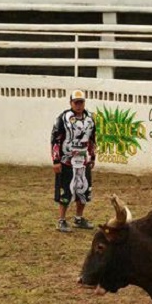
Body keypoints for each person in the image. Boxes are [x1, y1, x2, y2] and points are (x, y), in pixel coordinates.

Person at [51, 89, 97, 233]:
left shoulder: (90, 118)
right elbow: (55, 140)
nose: (78, 105)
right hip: (66, 161)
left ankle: (79, 218)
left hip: (83, 160)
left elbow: (92, 139)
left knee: (83, 190)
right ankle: (61, 220)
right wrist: (56, 160)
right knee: (66, 191)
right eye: (76, 102)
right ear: (71, 103)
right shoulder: (63, 118)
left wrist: (92, 156)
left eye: (81, 102)